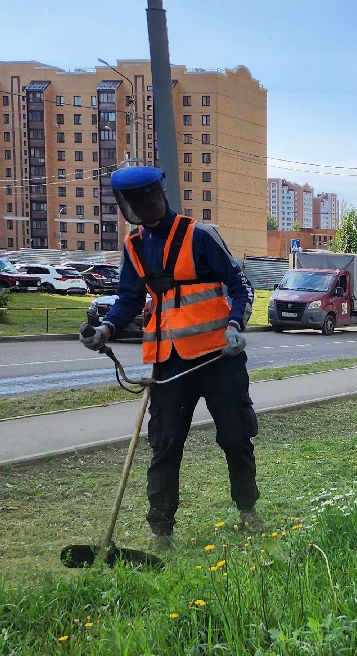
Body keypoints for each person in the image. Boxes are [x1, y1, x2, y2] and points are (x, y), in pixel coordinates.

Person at [80, 166, 262, 549]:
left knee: (235, 435)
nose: (144, 206)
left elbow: (240, 285)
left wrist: (235, 325)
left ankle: (248, 510)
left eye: (149, 197)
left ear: (161, 194)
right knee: (164, 444)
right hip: (169, 362)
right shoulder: (134, 246)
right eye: (135, 202)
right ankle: (161, 532)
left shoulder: (200, 235)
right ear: (127, 206)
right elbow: (128, 300)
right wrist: (106, 330)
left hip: (218, 357)